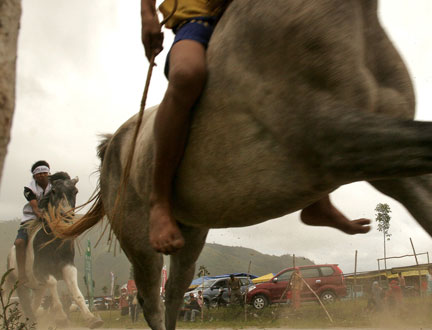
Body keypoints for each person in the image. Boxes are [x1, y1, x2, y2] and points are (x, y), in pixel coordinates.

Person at [140, 0, 371, 254]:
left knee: (300, 66)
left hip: (254, 17)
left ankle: (319, 203)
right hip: (198, 20)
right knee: (187, 74)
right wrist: (147, 12)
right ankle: (159, 200)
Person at [14, 160, 51, 285]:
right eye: (39, 173)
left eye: (44, 172)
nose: (42, 175)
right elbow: (35, 208)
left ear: (48, 173)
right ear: (34, 176)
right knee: (19, 242)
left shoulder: (55, 186)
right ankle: (22, 274)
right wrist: (41, 215)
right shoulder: (29, 188)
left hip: (52, 219)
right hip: (31, 220)